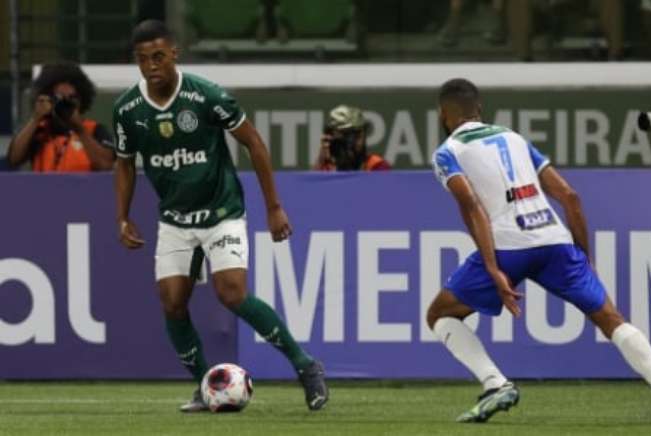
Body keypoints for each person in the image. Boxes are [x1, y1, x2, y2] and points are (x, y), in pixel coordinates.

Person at [427, 78, 651, 424]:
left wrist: (492, 267)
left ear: (444, 115)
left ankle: (495, 384)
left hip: (507, 245)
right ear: (480, 109)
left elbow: (472, 206)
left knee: (440, 314)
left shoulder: (447, 153)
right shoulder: (514, 138)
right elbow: (570, 196)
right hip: (554, 239)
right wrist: (583, 257)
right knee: (611, 319)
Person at [112, 19, 328, 412]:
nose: (151, 66)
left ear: (174, 53)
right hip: (175, 218)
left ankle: (305, 365)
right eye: (142, 60)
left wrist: (274, 207)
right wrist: (123, 217)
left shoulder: (206, 96)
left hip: (221, 211)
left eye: (158, 56)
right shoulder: (127, 109)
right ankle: (204, 386)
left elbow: (254, 144)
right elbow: (125, 163)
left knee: (231, 292)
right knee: (172, 301)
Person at [6, 62, 115, 171]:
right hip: (42, 187)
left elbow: (107, 165)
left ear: (82, 100)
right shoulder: (40, 131)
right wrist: (35, 119)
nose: (66, 103)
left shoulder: (94, 130)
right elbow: (13, 159)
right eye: (60, 98)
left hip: (82, 187)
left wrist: (80, 130)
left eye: (72, 98)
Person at [314, 104, 391, 171]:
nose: (353, 142)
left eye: (358, 136)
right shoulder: (326, 169)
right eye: (345, 136)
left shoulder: (376, 166)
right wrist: (321, 161)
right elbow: (314, 186)